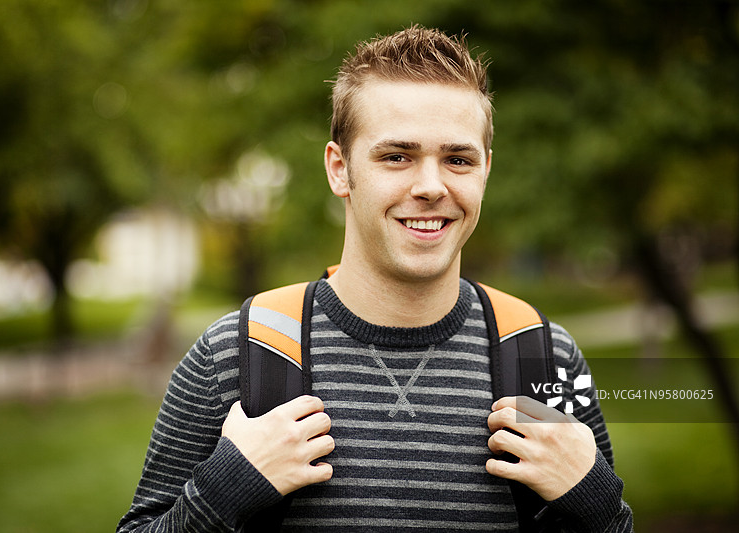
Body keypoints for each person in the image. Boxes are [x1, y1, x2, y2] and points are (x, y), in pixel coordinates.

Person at [117, 25, 633, 532]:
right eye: (397, 157)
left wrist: (595, 500)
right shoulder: (236, 355)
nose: (431, 186)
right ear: (339, 169)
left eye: (457, 159)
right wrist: (224, 490)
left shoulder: (543, 359)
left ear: (486, 171)